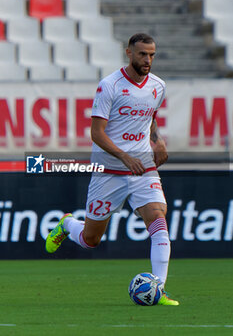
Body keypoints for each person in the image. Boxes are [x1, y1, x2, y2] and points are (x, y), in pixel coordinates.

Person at [46, 33, 179, 306]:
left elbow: (150, 118)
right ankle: (67, 224)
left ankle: (159, 288)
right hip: (109, 172)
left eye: (152, 54)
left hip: (143, 168)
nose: (148, 60)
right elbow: (97, 133)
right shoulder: (110, 85)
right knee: (90, 240)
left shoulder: (158, 86)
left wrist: (157, 139)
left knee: (158, 220)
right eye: (142, 54)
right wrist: (122, 156)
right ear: (128, 53)